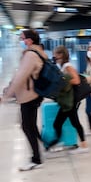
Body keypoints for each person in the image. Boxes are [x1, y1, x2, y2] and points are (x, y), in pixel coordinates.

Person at [2, 29, 45, 171]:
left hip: (29, 95)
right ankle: (44, 145)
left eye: (23, 38)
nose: (21, 41)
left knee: (26, 126)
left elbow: (21, 76)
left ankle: (36, 159)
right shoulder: (38, 52)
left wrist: (7, 95)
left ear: (30, 40)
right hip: (34, 94)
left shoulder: (31, 55)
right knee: (30, 125)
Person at [48, 45, 89, 154]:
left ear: (61, 55)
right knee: (72, 122)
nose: (54, 56)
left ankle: (82, 146)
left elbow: (76, 81)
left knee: (60, 123)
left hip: (70, 100)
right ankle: (81, 144)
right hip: (68, 100)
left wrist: (63, 80)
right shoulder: (63, 66)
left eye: (55, 54)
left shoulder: (67, 66)